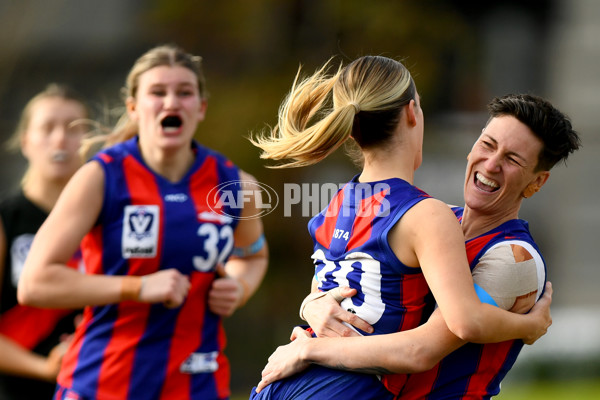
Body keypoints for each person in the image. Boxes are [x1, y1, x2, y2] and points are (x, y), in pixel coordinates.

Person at [249, 56, 554, 399]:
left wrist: (309, 342)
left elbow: (429, 335)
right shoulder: (430, 217)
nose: (492, 164)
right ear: (412, 113)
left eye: (512, 159)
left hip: (281, 383)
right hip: (337, 387)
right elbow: (456, 326)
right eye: (486, 144)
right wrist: (531, 326)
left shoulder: (338, 202)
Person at [17, 45, 268, 400]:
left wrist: (240, 287)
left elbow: (253, 256)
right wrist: (136, 288)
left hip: (199, 385)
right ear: (134, 108)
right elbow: (34, 283)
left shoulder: (235, 184)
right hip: (103, 383)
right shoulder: (101, 176)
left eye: (184, 92)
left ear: (201, 107)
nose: (171, 103)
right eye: (157, 92)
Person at [0, 83, 89, 399]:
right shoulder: (6, 220)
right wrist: (44, 367)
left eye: (73, 128)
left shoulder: (108, 219)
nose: (60, 138)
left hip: (101, 385)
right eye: (47, 127)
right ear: (25, 141)